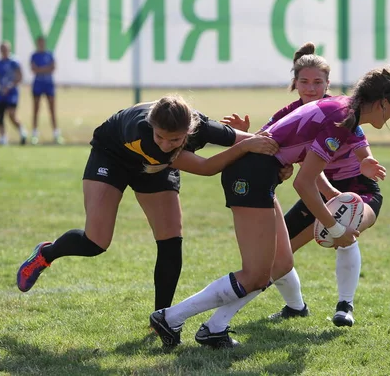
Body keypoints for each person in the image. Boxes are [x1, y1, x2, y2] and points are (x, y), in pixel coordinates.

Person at [150, 65, 390, 349]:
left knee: (281, 264)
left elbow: (303, 161)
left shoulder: (343, 108)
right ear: (383, 102)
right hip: (251, 175)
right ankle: (171, 317)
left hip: (259, 174)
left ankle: (213, 328)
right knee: (256, 274)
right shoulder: (342, 118)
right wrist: (335, 228)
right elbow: (304, 184)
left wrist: (335, 191)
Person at [16, 95, 278, 315]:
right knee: (96, 242)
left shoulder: (202, 127)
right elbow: (207, 167)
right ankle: (45, 254)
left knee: (170, 240)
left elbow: (259, 141)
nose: (165, 144)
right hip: (113, 157)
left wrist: (264, 150)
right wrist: (246, 146)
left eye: (174, 140)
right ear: (152, 126)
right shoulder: (144, 135)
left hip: (155, 168)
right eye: (160, 136)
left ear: (188, 131)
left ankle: (160, 319)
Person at [221, 42, 387, 328]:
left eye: (318, 82)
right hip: (316, 189)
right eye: (304, 82)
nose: (311, 89)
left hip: (354, 187)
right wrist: (245, 134)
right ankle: (295, 307)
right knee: (276, 254)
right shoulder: (290, 112)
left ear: (328, 84)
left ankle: (344, 305)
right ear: (295, 83)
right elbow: (267, 143)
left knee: (346, 229)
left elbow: (363, 150)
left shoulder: (341, 111)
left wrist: (368, 162)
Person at [0, 41, 27, 145]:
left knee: (11, 114)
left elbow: (20, 77)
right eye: (2, 49)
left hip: (12, 93)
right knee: (0, 116)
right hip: (1, 93)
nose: (3, 51)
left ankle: (22, 130)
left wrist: (10, 86)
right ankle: (3, 138)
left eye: (5, 49)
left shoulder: (14, 62)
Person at [30, 36, 62, 145]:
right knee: (36, 110)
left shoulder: (49, 54)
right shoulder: (34, 55)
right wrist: (45, 69)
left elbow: (52, 68)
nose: (41, 44)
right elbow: (34, 69)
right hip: (38, 84)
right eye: (39, 42)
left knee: (52, 110)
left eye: (42, 42)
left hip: (48, 85)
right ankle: (34, 134)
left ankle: (56, 134)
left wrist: (41, 69)